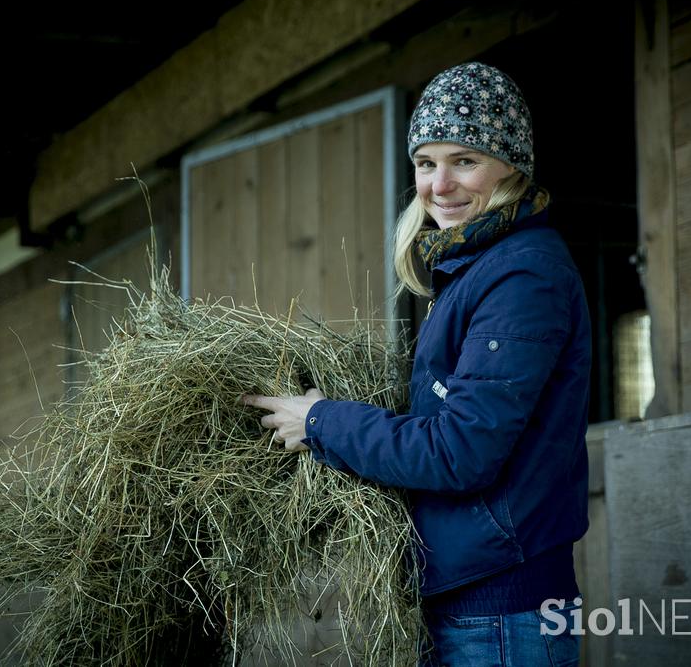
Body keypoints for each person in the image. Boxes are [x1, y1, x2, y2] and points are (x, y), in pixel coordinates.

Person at [243, 61, 591, 666]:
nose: (440, 185)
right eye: (426, 164)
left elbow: (461, 451)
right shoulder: (471, 270)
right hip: (472, 593)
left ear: (511, 164)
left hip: (501, 610)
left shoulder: (521, 275)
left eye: (465, 160)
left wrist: (323, 422)